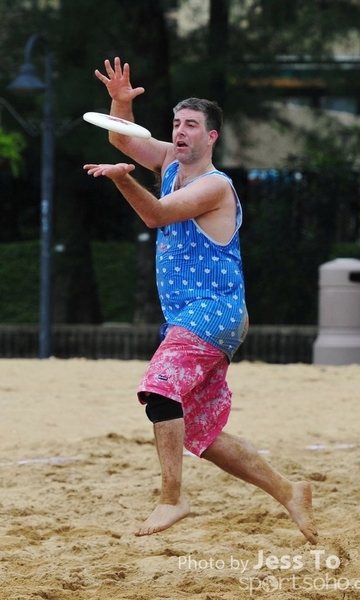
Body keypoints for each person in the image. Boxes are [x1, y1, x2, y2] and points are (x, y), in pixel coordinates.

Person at [83, 57, 318, 545]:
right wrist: (121, 104)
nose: (180, 131)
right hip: (193, 317)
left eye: (191, 125)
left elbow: (156, 214)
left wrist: (122, 179)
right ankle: (289, 491)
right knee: (198, 431)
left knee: (160, 388)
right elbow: (122, 140)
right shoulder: (170, 163)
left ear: (212, 136)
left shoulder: (215, 185)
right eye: (176, 123)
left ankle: (172, 498)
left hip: (215, 310)